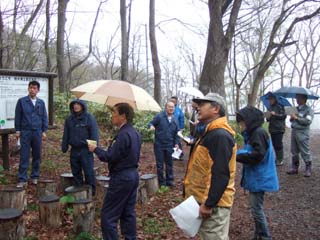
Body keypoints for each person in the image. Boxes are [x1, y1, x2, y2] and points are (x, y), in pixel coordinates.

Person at [184, 93, 237, 240]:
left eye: (202, 105)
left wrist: (208, 204)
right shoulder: (208, 132)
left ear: (216, 109)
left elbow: (220, 173)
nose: (198, 108)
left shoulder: (219, 135)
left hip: (214, 205)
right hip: (203, 200)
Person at [88, 103, 141, 240]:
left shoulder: (123, 134)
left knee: (108, 216)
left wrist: (95, 149)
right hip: (133, 175)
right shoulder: (134, 132)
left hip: (122, 177)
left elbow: (110, 157)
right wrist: (113, 144)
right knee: (127, 212)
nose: (112, 116)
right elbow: (124, 152)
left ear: (123, 116)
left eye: (114, 113)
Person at [236, 106, 279, 240]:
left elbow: (257, 155)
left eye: (242, 121)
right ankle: (259, 235)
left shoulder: (258, 133)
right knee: (256, 208)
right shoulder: (253, 133)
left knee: (256, 209)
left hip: (260, 177)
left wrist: (237, 155)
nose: (240, 125)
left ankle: (265, 236)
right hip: (257, 176)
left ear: (249, 121)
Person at [61, 99, 99, 195]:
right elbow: (66, 134)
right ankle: (79, 191)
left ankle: (91, 192)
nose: (76, 106)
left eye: (78, 104)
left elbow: (94, 133)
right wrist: (64, 146)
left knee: (88, 171)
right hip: (74, 149)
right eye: (74, 104)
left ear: (83, 106)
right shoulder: (69, 119)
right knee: (76, 171)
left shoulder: (89, 118)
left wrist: (93, 147)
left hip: (85, 150)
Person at [15, 80, 48, 188]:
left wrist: (44, 130)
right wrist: (18, 130)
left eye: (34, 88)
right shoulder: (22, 101)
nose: (32, 90)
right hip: (26, 132)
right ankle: (22, 178)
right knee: (24, 155)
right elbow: (18, 116)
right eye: (30, 88)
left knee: (37, 154)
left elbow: (44, 117)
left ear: (38, 90)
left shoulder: (41, 102)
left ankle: (35, 176)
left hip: (37, 132)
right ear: (28, 89)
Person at [148, 101, 179, 187]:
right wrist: (151, 126)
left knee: (169, 164)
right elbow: (150, 123)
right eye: (169, 107)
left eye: (172, 107)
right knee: (160, 165)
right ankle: (161, 182)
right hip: (159, 145)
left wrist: (176, 143)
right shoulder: (159, 116)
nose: (171, 108)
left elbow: (176, 133)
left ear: (174, 108)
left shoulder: (175, 119)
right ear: (166, 108)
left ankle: (170, 180)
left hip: (169, 145)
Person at [286, 94, 313, 177]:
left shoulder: (308, 110)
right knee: (294, 150)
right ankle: (295, 168)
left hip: (302, 133)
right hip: (294, 131)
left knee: (305, 150)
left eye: (298, 98)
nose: (297, 99)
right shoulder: (295, 109)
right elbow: (292, 120)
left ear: (304, 99)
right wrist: (291, 118)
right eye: (296, 98)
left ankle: (308, 169)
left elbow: (307, 122)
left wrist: (297, 118)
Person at [265, 93, 286, 166]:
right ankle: (277, 158)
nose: (269, 101)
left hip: (279, 128)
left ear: (274, 99)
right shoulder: (269, 107)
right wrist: (268, 116)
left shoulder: (280, 106)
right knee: (274, 144)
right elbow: (268, 120)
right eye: (269, 100)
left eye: (270, 99)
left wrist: (275, 114)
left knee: (278, 143)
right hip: (272, 128)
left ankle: (280, 159)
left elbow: (283, 116)